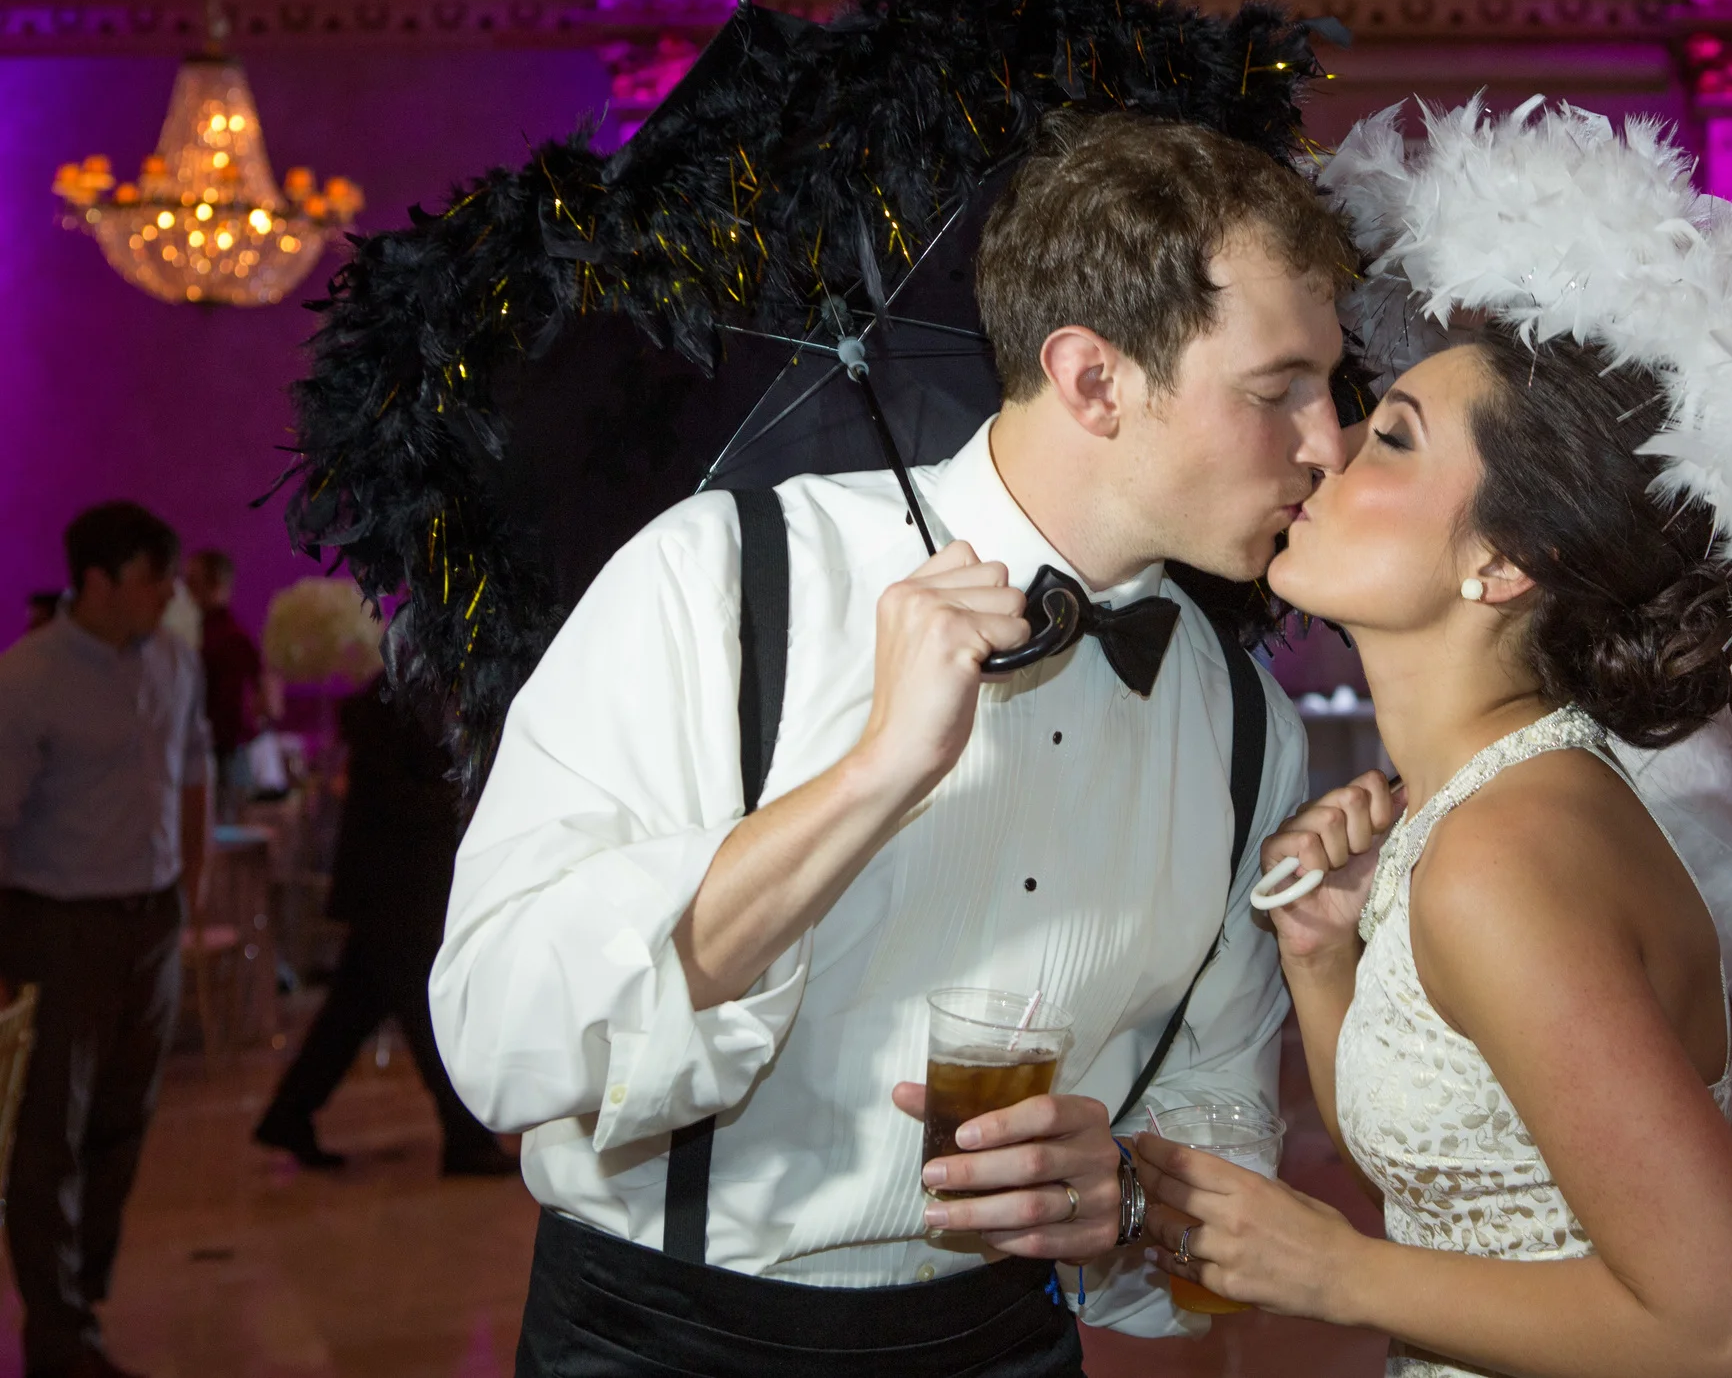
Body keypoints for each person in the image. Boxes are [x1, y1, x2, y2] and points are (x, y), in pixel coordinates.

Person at [1128, 102, 1732, 1378]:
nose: (1328, 446)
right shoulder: (1492, 806)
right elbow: (1464, 1180)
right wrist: (1321, 957)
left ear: (1500, 563)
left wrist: (1324, 1265)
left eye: (1392, 436)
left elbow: (1729, 1330)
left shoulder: (1508, 852)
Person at [430, 113, 1350, 1374]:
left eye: (1332, 388)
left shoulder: (1250, 727)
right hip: (662, 1343)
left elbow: (1220, 1122)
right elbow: (497, 1035)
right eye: (1277, 390)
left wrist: (1127, 1195)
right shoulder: (718, 579)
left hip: (1001, 1346)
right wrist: (872, 776)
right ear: (1094, 379)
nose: (1330, 442)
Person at [0, 502, 211, 1378]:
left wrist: (186, 898)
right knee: (50, 1133)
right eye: (152, 577)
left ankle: (80, 1299)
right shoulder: (27, 678)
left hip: (151, 920)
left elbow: (193, 772)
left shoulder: (174, 659)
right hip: (60, 924)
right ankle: (58, 1334)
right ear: (96, 580)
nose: (169, 593)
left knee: (122, 1123)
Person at [253, 674, 517, 1176]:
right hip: (395, 886)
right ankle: (465, 1139)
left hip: (393, 885)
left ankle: (288, 1116)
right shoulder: (398, 697)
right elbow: (400, 795)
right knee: (426, 1016)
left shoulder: (406, 690)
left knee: (353, 1011)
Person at [182, 548, 266, 789]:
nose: (186, 590)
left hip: (221, 756)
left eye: (193, 582)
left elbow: (234, 707)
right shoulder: (221, 634)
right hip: (219, 752)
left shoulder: (225, 638)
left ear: (215, 583)